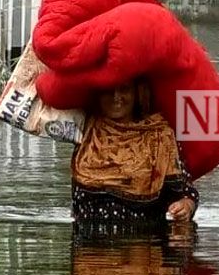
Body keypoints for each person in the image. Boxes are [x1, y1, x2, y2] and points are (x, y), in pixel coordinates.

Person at [69, 77, 199, 225]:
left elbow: (187, 192)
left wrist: (186, 206)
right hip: (86, 241)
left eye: (124, 89)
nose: (116, 97)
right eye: (107, 90)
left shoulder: (159, 136)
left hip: (145, 242)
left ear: (138, 93)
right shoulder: (86, 131)